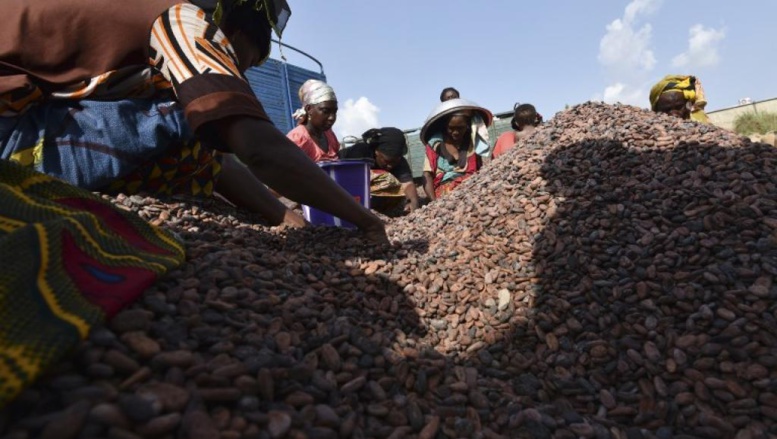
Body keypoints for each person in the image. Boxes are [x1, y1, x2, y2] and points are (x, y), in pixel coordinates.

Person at [0, 0, 387, 243]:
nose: (240, 74)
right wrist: (364, 221)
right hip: (13, 146)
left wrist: (286, 218)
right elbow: (256, 146)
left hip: (23, 126)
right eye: (243, 62)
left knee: (199, 120)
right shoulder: (182, 20)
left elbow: (218, 156)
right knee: (198, 112)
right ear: (231, 31)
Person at [421, 98, 493, 201]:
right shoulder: (433, 145)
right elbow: (427, 175)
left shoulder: (472, 142)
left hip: (472, 190)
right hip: (445, 196)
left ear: (467, 126)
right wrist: (434, 203)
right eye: (451, 128)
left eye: (460, 128)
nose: (455, 132)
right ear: (445, 126)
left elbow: (479, 169)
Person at [339, 127, 421, 213]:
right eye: (387, 161)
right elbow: (351, 181)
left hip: (368, 192)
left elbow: (407, 184)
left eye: (394, 162)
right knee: (387, 180)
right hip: (343, 185)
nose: (390, 166)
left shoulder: (400, 161)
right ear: (377, 151)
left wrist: (413, 202)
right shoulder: (360, 153)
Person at [288, 79, 341, 162]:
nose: (332, 118)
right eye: (325, 111)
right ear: (309, 109)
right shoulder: (298, 139)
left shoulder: (330, 135)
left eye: (334, 112)